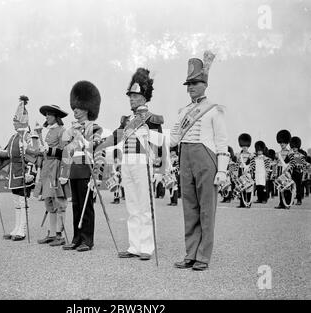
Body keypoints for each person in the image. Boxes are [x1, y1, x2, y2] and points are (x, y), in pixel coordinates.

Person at [95, 68, 166, 261]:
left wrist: (159, 170)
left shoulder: (152, 119)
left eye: (135, 96)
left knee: (145, 206)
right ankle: (134, 246)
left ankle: (147, 247)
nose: (131, 99)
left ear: (144, 97)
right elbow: (116, 137)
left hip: (144, 164)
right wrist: (98, 146)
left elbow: (160, 144)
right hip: (127, 163)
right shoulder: (126, 120)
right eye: (130, 96)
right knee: (132, 207)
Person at [170, 51, 229, 271]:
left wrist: (221, 170)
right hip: (185, 158)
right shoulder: (183, 111)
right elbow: (174, 138)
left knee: (206, 209)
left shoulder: (215, 110)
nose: (190, 87)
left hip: (206, 158)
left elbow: (222, 142)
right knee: (189, 208)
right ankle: (191, 253)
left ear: (205, 84)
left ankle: (203, 256)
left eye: (195, 83)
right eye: (188, 84)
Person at [0, 96, 37, 241]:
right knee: (16, 202)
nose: (13, 124)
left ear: (22, 122)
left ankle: (23, 230)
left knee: (23, 201)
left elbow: (34, 155)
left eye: (15, 121)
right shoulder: (13, 137)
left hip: (24, 174)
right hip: (14, 174)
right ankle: (16, 228)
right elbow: (6, 154)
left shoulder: (29, 137)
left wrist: (30, 173)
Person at [61, 81, 105, 252]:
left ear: (87, 108)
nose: (76, 111)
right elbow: (66, 151)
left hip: (87, 169)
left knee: (87, 207)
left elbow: (95, 147)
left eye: (79, 107)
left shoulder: (95, 127)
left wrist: (81, 138)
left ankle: (87, 239)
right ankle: (76, 238)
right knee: (76, 206)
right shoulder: (70, 130)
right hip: (74, 170)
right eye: (74, 107)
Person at [36, 104, 70, 246]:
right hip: (46, 168)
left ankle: (60, 235)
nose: (47, 117)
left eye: (49, 114)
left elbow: (64, 151)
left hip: (56, 168)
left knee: (59, 201)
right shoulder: (47, 131)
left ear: (56, 116)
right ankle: (51, 233)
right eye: (46, 114)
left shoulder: (62, 131)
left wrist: (49, 150)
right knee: (48, 201)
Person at [275, 129, 293, 209]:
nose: (282, 144)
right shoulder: (278, 153)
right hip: (280, 171)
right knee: (280, 188)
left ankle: (287, 203)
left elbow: (292, 163)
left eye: (284, 142)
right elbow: (277, 163)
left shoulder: (290, 152)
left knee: (287, 188)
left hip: (286, 172)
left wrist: (287, 170)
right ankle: (281, 203)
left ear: (287, 143)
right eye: (281, 142)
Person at [235, 133, 254, 208]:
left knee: (248, 188)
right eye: (243, 146)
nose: (244, 147)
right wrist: (236, 174)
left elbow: (253, 165)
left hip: (248, 173)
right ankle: (242, 203)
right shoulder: (239, 155)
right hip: (241, 171)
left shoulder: (251, 155)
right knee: (241, 187)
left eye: (246, 146)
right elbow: (237, 165)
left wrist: (249, 171)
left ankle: (248, 203)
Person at [289, 136, 307, 205]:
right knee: (291, 187)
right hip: (292, 172)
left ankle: (299, 200)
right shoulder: (291, 154)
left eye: (295, 147)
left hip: (299, 172)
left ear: (298, 147)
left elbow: (303, 163)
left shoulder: (302, 154)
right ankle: (291, 200)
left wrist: (304, 174)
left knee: (299, 187)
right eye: (293, 147)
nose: (294, 149)